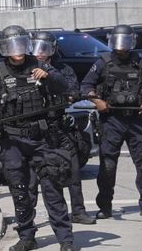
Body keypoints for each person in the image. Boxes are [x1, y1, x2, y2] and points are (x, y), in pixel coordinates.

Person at [0, 25, 78, 251]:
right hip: (12, 140)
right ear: (4, 49)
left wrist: (49, 76)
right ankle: (27, 237)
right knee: (20, 191)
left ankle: (65, 238)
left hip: (41, 138)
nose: (17, 50)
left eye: (20, 44)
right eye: (12, 46)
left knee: (52, 188)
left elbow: (67, 89)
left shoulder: (40, 65)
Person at [80, 24, 142, 218]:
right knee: (108, 165)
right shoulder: (102, 63)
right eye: (118, 41)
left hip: (137, 120)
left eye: (125, 41)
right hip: (112, 121)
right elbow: (86, 85)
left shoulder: (141, 63)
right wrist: (97, 100)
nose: (121, 46)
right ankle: (105, 206)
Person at [32, 31, 96, 224]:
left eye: (45, 48)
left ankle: (78, 211)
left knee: (73, 169)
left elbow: (73, 91)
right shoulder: (24, 70)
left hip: (60, 125)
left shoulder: (63, 69)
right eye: (37, 47)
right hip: (36, 129)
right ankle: (28, 218)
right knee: (34, 178)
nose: (40, 53)